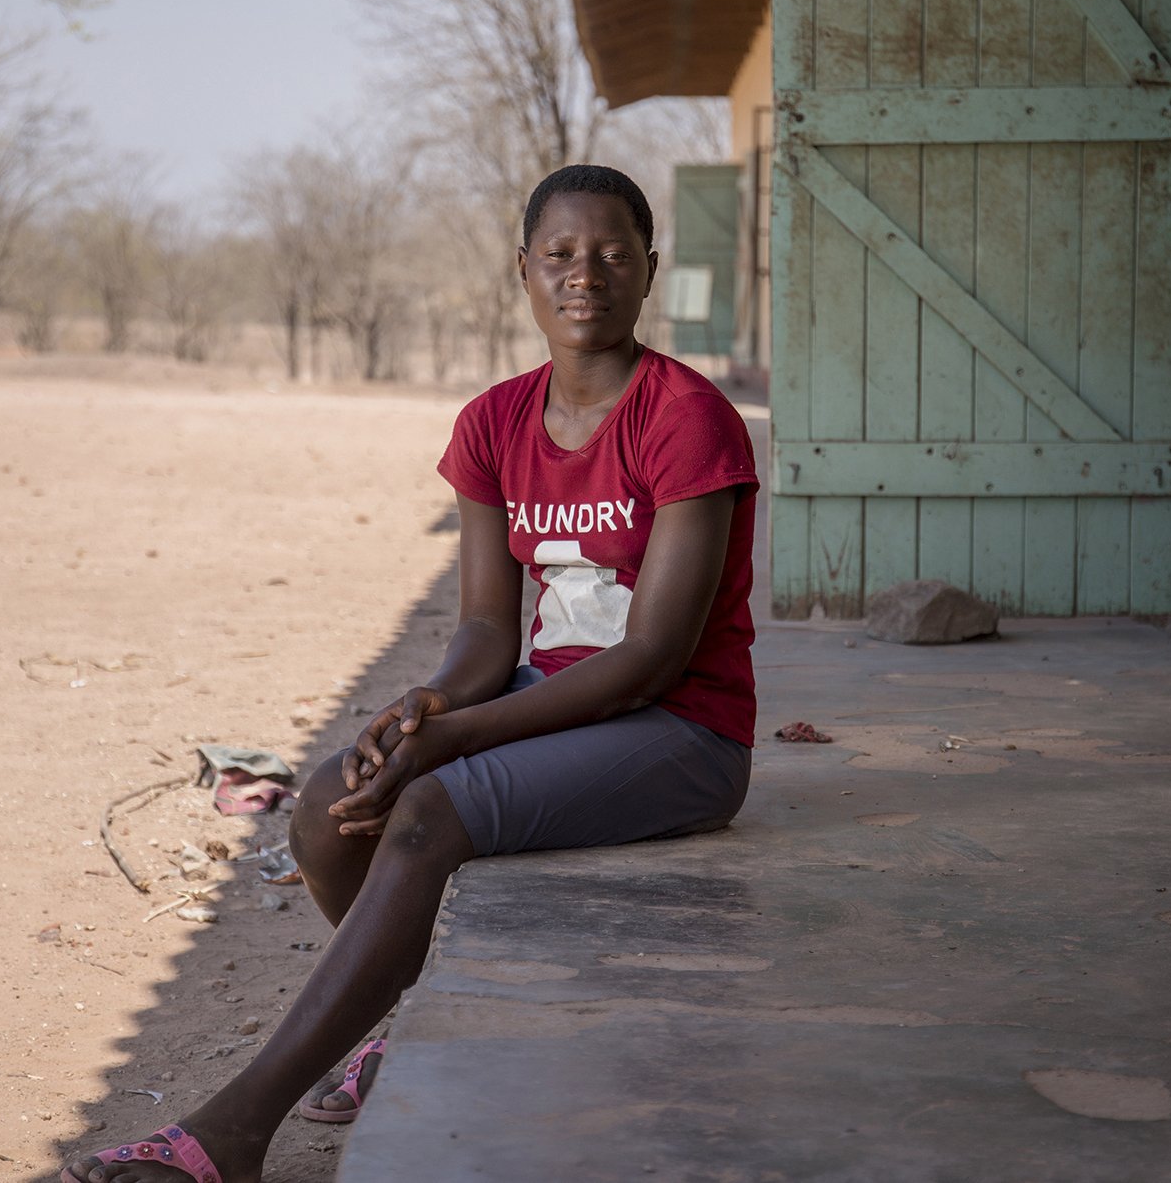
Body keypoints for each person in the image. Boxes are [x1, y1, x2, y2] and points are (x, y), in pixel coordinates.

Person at [63, 164, 759, 1183]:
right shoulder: (494, 422)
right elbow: (486, 624)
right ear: (521, 272)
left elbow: (648, 662)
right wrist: (430, 700)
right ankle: (407, 1019)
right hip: (555, 698)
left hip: (683, 733)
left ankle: (234, 1130)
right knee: (325, 806)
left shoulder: (684, 417)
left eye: (613, 254)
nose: (585, 276)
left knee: (428, 805)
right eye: (559, 255)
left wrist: (461, 736)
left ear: (649, 270)